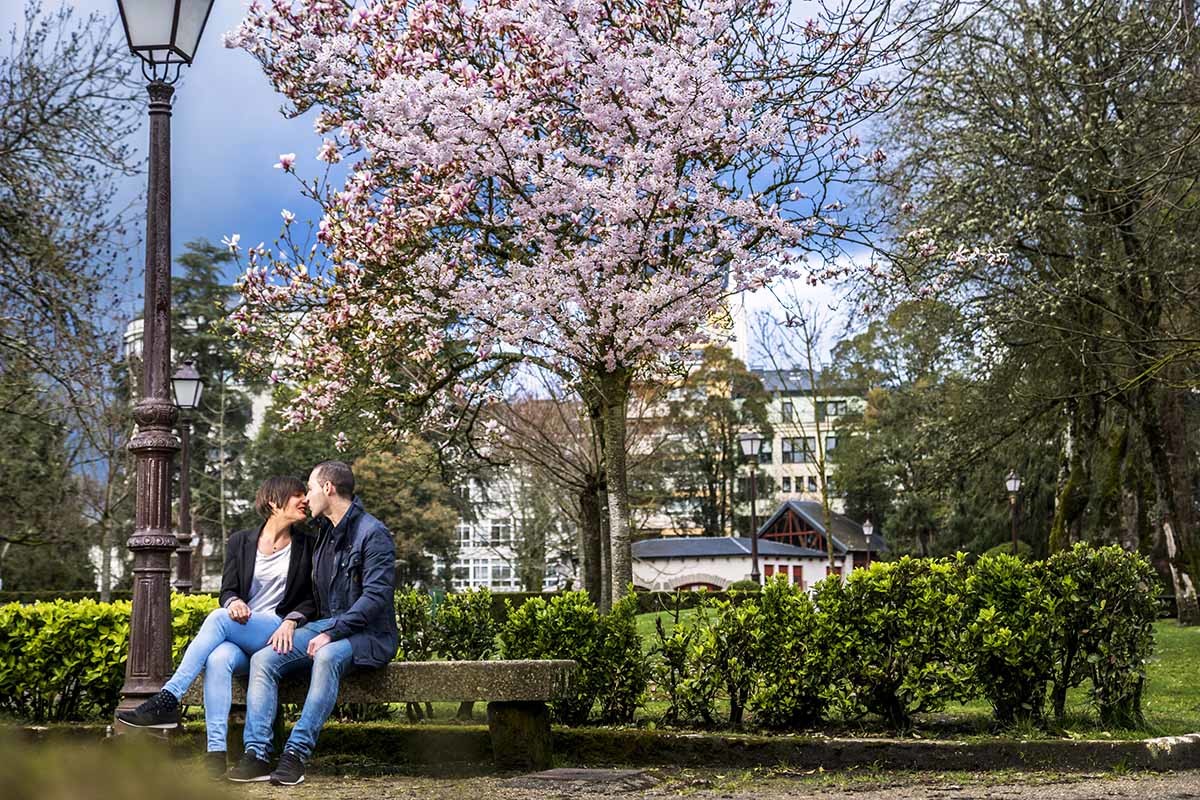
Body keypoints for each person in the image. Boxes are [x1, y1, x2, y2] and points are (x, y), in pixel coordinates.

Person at [117, 476, 316, 778]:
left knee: (217, 618)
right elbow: (227, 590)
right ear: (274, 502)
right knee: (218, 658)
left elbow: (312, 599)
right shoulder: (241, 541)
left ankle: (170, 697)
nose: (305, 500)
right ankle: (216, 754)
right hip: (244, 632)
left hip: (277, 631)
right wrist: (234, 600)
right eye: (297, 495)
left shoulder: (308, 545)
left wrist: (292, 621)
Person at [226, 460, 397, 786]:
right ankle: (258, 754)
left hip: (370, 636)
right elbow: (311, 597)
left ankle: (295, 755)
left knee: (327, 656)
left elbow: (375, 599)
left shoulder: (373, 534)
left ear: (328, 489)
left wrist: (333, 633)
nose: (307, 497)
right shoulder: (324, 536)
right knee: (264, 658)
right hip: (329, 627)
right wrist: (294, 622)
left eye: (311, 488)